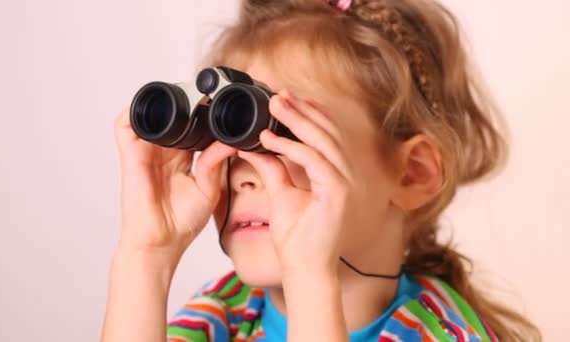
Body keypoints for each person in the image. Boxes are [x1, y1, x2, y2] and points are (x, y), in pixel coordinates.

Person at [101, 0, 541, 341]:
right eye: (229, 138)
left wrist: (311, 278)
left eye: (286, 136)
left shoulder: (444, 331)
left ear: (412, 174)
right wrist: (147, 257)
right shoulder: (223, 312)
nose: (243, 174)